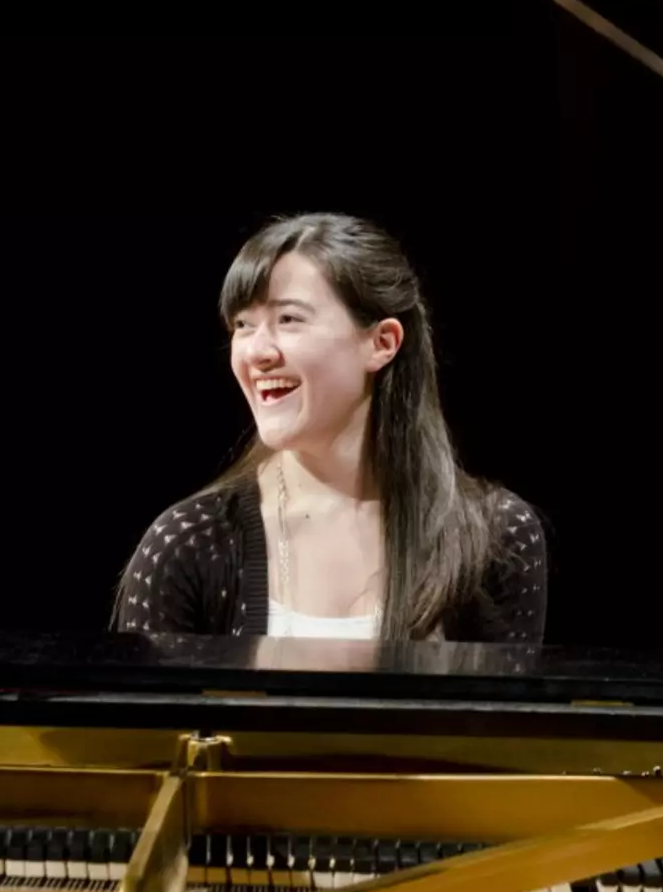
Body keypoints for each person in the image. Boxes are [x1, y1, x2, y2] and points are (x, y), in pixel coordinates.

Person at [111, 213, 547, 643]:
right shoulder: (189, 544)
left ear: (383, 343)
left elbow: (501, 715)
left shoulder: (496, 538)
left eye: (289, 320)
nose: (256, 351)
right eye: (243, 325)